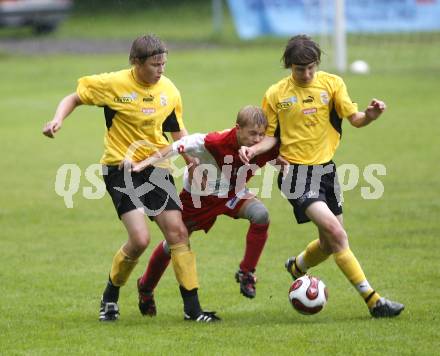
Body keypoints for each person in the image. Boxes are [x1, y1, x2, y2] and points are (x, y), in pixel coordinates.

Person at [42, 34, 219, 323]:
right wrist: (57, 119)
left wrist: (190, 161)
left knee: (178, 233)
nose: (160, 69)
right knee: (139, 240)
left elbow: (176, 129)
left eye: (163, 63)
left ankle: (193, 309)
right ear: (136, 63)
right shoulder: (113, 84)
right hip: (120, 168)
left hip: (157, 167)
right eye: (154, 64)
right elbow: (74, 97)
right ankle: (110, 295)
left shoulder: (169, 90)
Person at [239, 35, 404, 318]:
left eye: (311, 68)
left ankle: (298, 266)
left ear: (317, 64)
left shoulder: (332, 84)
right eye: (299, 69)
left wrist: (372, 115)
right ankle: (374, 301)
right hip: (295, 175)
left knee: (329, 244)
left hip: (327, 172)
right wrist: (253, 151)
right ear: (289, 66)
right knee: (338, 235)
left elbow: (356, 119)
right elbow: (269, 138)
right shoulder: (276, 93)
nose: (306, 74)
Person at [131, 105, 279, 316]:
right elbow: (175, 146)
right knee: (175, 244)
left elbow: (276, 151)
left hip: (233, 194)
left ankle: (246, 272)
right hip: (198, 199)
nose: (257, 139)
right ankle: (146, 287)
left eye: (261, 134)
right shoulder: (213, 142)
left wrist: (282, 162)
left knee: (261, 215)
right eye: (252, 133)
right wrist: (143, 164)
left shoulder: (260, 146)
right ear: (238, 128)